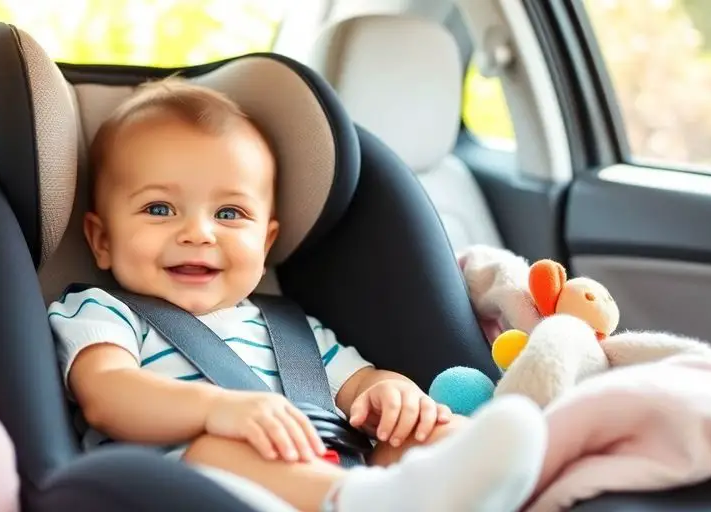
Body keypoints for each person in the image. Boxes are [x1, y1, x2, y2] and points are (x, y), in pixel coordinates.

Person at [48, 78, 546, 512]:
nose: (198, 233)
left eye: (228, 214)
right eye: (159, 209)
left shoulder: (290, 327)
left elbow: (357, 384)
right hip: (196, 487)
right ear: (102, 240)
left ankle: (479, 483)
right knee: (219, 449)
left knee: (424, 435)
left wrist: (390, 394)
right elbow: (107, 394)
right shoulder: (102, 311)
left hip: (336, 471)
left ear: (265, 243)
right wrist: (217, 412)